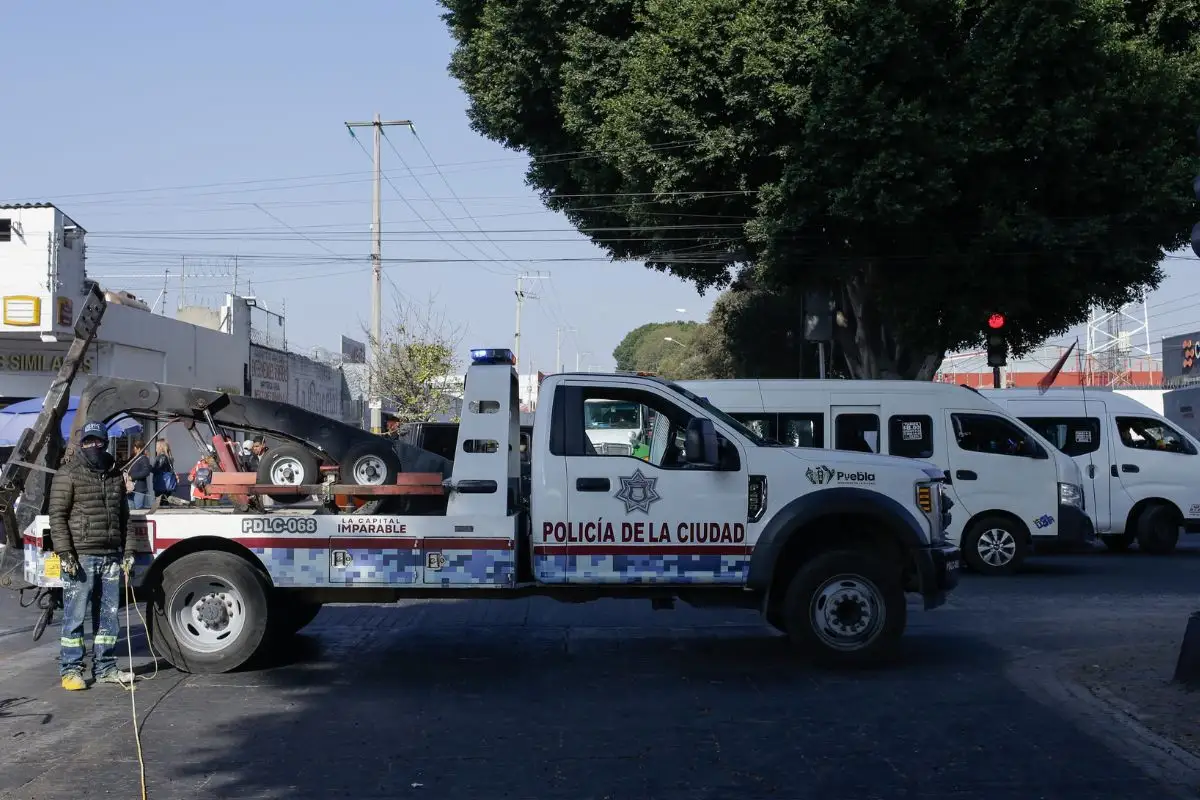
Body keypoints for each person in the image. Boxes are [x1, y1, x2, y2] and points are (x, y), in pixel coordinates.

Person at [49, 422, 136, 690]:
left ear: (105, 443)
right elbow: (58, 517)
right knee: (75, 617)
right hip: (81, 556)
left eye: (98, 442)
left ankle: (106, 668)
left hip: (111, 556)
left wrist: (129, 551)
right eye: (88, 442)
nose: (93, 446)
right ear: (80, 444)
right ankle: (71, 671)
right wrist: (65, 553)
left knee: (109, 617)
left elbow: (125, 519)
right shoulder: (68, 474)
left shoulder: (114, 475)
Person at [126, 438, 152, 509]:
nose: (133, 449)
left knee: (138, 509)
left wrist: (132, 477)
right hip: (130, 489)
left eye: (135, 447)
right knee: (130, 509)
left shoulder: (144, 458)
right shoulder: (133, 458)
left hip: (139, 489)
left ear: (139, 448)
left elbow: (146, 472)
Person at [151, 438, 177, 503]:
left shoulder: (162, 457)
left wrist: (149, 467)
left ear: (160, 447)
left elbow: (157, 470)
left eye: (157, 446)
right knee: (165, 502)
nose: (156, 448)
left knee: (160, 503)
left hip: (161, 485)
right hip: (167, 485)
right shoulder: (168, 457)